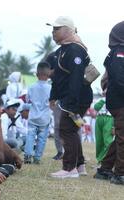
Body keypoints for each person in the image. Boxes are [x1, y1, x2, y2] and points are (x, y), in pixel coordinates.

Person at [47, 16, 93, 178]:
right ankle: (79, 165)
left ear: (67, 30)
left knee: (66, 130)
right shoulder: (65, 49)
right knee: (72, 129)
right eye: (52, 29)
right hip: (72, 97)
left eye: (56, 29)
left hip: (76, 98)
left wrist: (71, 104)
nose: (53, 32)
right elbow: (59, 77)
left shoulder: (74, 49)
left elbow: (76, 78)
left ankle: (69, 169)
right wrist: (54, 97)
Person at [94, 21, 124, 185]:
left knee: (121, 135)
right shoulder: (120, 51)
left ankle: (105, 169)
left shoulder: (117, 51)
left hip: (117, 100)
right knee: (122, 137)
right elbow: (120, 79)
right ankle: (120, 174)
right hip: (120, 100)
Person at [24, 62, 51, 164]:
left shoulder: (31, 87)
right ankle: (37, 157)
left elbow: (27, 100)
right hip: (45, 117)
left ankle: (27, 155)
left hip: (33, 115)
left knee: (30, 135)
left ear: (36, 74)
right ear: (48, 75)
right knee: (42, 138)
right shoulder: (50, 88)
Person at [46, 52, 64, 160]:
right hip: (59, 101)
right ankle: (60, 151)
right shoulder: (53, 56)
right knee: (57, 126)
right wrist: (52, 99)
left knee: (77, 126)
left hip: (75, 102)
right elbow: (54, 84)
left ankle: (77, 153)